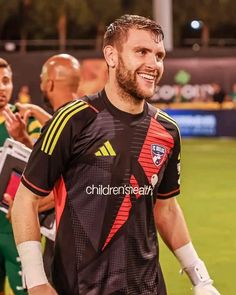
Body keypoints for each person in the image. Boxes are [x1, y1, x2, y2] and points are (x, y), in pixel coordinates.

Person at [12, 15, 221, 295]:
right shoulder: (72, 119)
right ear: (111, 55)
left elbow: (167, 209)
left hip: (147, 288)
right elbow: (26, 199)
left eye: (159, 55)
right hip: (79, 287)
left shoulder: (167, 130)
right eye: (141, 52)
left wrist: (201, 279)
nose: (154, 64)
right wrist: (36, 281)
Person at [15, 53, 81, 283]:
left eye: (42, 79)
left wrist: (24, 206)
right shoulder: (92, 118)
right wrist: (25, 136)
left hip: (67, 241)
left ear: (49, 83)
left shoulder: (62, 124)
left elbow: (74, 185)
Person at [0, 58, 41, 295]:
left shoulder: (26, 118)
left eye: (6, 81)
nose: (2, 88)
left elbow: (44, 165)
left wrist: (23, 139)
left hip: (17, 227)